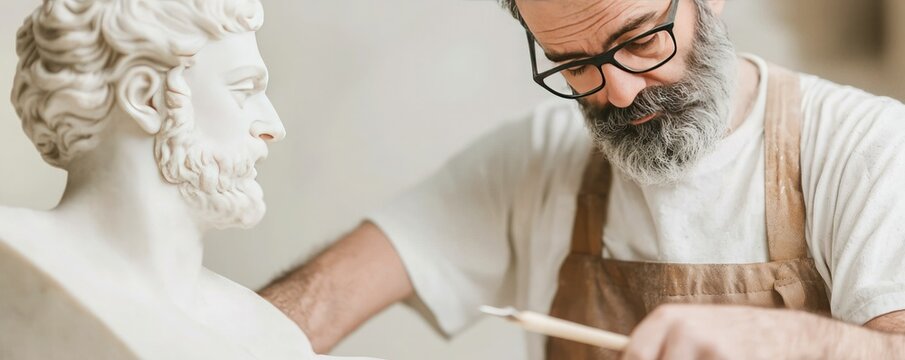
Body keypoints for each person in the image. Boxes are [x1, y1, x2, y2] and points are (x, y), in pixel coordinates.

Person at [261, 0, 905, 358]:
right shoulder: (534, 163)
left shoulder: (861, 146)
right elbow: (324, 297)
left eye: (642, 41)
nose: (620, 93)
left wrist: (782, 341)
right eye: (574, 66)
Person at [0, 1, 374, 359]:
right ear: (146, 98)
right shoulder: (13, 259)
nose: (273, 128)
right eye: (243, 90)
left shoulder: (268, 333)